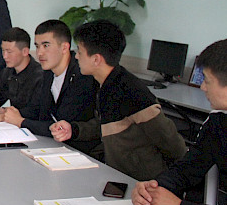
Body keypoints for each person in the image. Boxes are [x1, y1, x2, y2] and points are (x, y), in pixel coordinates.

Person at [51, 20, 186, 180]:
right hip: (118, 174)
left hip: (144, 181)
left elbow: (170, 141)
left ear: (96, 59)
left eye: (80, 51)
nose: (76, 56)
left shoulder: (131, 91)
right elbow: (105, 126)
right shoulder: (105, 84)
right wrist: (74, 130)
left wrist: (170, 184)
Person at [131, 39, 227, 205]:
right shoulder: (218, 120)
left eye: (207, 81)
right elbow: (189, 167)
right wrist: (153, 189)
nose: (203, 87)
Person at [0, 19, 100, 156]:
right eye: (37, 46)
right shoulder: (48, 72)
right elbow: (38, 111)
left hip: (82, 152)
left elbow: (59, 125)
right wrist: (2, 115)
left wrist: (21, 122)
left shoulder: (81, 75)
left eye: (46, 45)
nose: (39, 53)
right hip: (55, 147)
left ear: (64, 48)